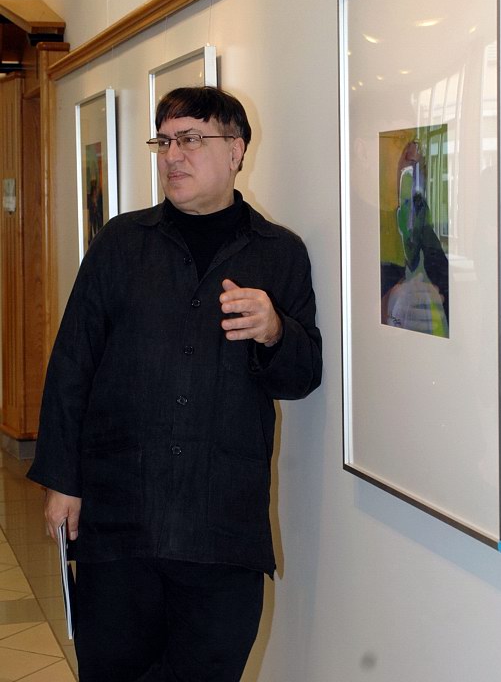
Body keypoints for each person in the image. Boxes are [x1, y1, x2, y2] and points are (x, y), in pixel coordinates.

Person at [27, 86, 322, 682]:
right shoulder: (120, 243)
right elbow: (72, 365)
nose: (172, 156)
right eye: (164, 142)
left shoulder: (279, 254)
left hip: (222, 525)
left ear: (236, 150)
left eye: (190, 139)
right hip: (120, 518)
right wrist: (62, 481)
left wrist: (275, 332)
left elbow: (302, 377)